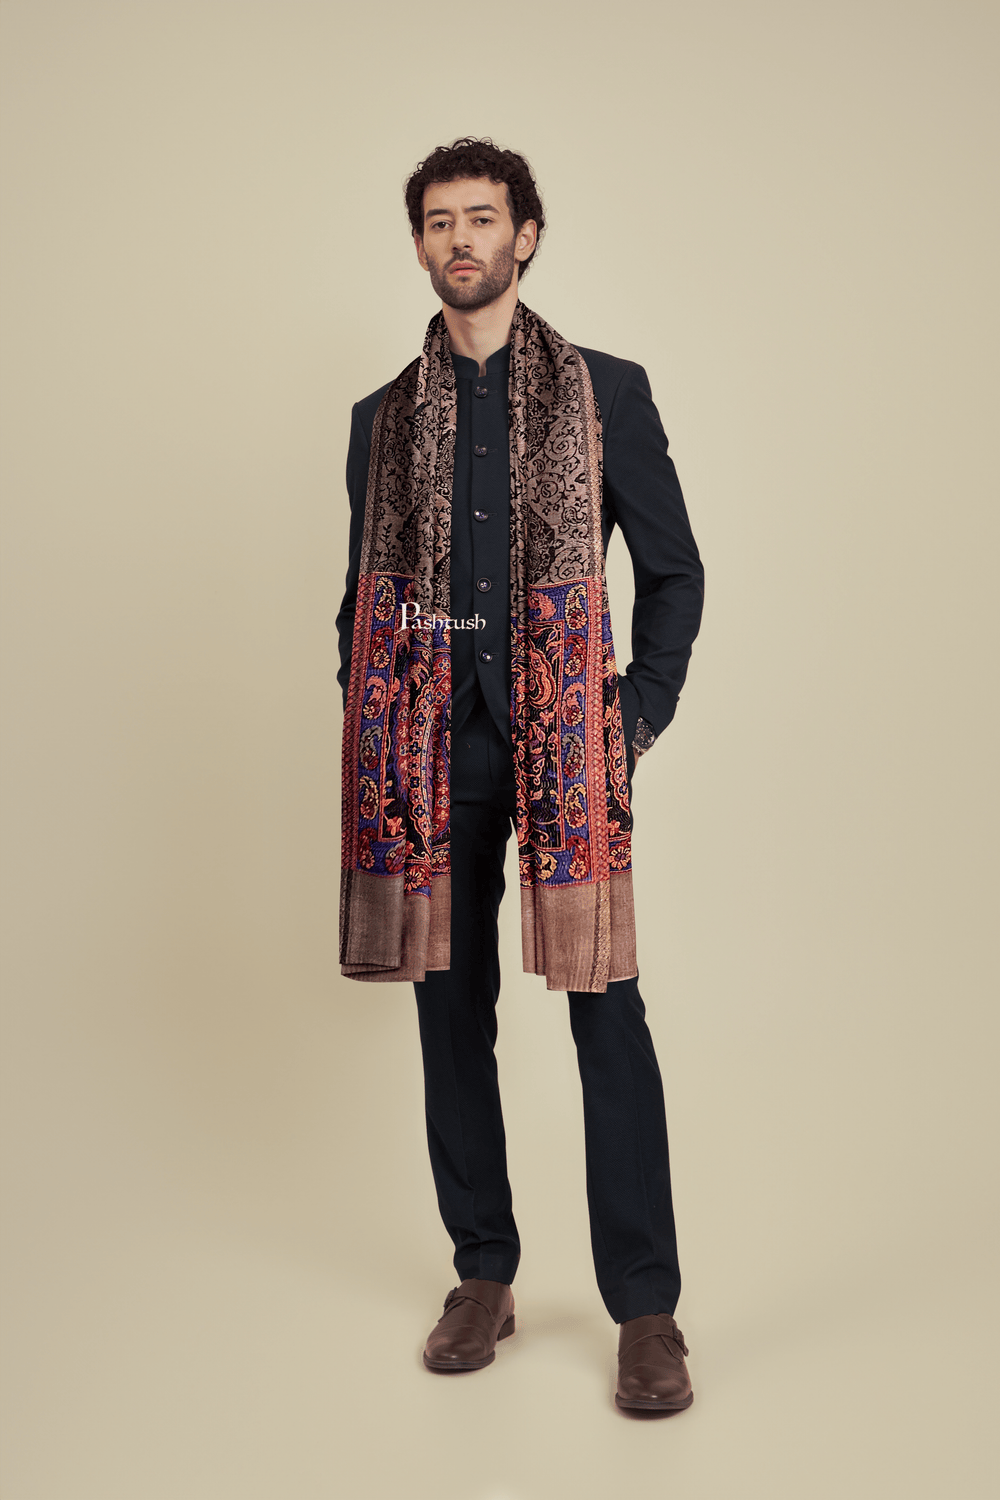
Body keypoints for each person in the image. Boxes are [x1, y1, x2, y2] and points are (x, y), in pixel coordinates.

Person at [336, 138, 704, 1414]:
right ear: (421, 244)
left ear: (525, 236)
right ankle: (482, 1274)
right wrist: (374, 713)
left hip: (565, 748)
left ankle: (646, 1311)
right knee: (449, 1014)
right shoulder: (382, 420)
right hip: (429, 758)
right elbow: (362, 599)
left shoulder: (608, 393)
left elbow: (674, 571)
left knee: (607, 1012)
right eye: (440, 221)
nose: (461, 239)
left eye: (482, 218)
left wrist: (629, 717)